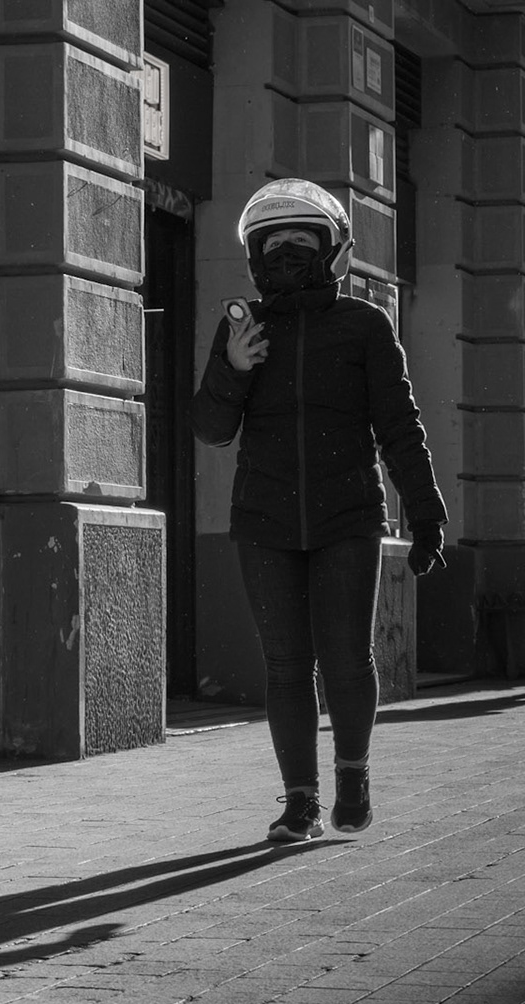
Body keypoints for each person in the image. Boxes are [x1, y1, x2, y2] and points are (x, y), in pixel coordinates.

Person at [189, 178, 448, 842]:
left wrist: (426, 514)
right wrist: (234, 369)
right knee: (284, 664)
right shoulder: (244, 325)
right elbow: (211, 428)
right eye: (274, 245)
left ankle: (353, 775)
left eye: (303, 243)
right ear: (254, 256)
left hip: (347, 516)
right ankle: (300, 802)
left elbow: (399, 426)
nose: (287, 256)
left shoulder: (364, 324)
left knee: (346, 659)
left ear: (332, 251)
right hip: (264, 520)